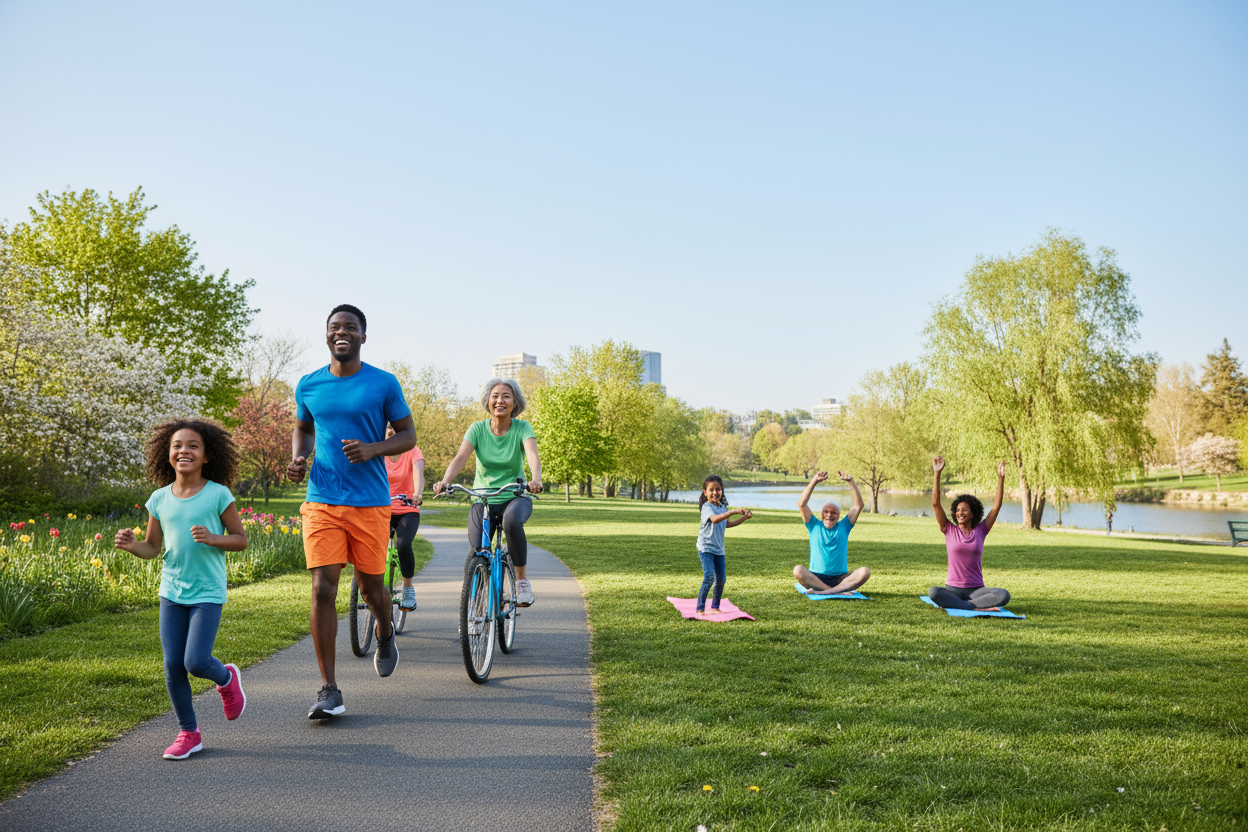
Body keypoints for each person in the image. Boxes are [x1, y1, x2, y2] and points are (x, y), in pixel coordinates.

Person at [288, 304, 417, 720]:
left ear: (363, 336)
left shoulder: (382, 383)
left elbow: (408, 435)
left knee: (370, 589)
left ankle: (384, 629)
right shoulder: (308, 384)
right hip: (323, 499)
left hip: (370, 503)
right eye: (334, 327)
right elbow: (305, 428)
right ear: (326, 336)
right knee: (322, 587)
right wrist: (299, 457)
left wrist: (373, 449)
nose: (341, 332)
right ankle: (329, 689)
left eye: (350, 327)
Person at [114, 420, 249, 760]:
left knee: (195, 661)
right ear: (167, 453)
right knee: (173, 664)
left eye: (193, 446)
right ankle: (189, 733)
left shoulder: (218, 493)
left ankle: (226, 677)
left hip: (207, 591)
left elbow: (240, 540)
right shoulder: (159, 498)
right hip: (171, 591)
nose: (184, 451)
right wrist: (134, 546)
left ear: (206, 456)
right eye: (177, 445)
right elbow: (152, 547)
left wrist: (214, 538)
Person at [433, 378, 543, 606]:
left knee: (512, 523)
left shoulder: (523, 428)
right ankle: (472, 604)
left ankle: (521, 582)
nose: (499, 400)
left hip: (514, 496)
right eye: (495, 396)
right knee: (476, 552)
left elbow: (532, 454)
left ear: (515, 403)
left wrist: (536, 479)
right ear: (488, 401)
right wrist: (445, 481)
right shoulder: (477, 429)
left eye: (506, 396)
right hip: (482, 499)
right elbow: (461, 457)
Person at [928, 456, 1011, 611]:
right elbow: (935, 503)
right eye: (958, 510)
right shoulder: (948, 529)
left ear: (972, 514)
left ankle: (964, 606)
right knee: (933, 591)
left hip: (976, 590)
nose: (960, 513)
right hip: (952, 589)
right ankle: (975, 608)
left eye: (964, 510)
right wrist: (937, 473)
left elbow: (996, 507)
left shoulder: (981, 530)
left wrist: (1001, 478)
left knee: (1004, 595)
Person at [793, 470, 869, 595]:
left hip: (841, 579)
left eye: (833, 512)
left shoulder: (844, 526)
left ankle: (827, 591)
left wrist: (850, 481)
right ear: (821, 514)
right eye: (826, 511)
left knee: (864, 572)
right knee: (798, 570)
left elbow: (858, 505)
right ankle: (835, 592)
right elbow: (801, 504)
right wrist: (814, 481)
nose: (829, 515)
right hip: (816, 578)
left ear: (839, 515)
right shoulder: (813, 525)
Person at [694, 475, 753, 615]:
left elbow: (728, 524)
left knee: (721, 579)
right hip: (706, 548)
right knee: (709, 578)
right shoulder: (706, 507)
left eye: (718, 489)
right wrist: (732, 511)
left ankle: (715, 607)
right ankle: (700, 609)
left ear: (722, 491)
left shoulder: (722, 508)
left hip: (719, 549)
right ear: (705, 492)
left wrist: (744, 518)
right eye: (711, 490)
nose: (715, 492)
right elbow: (714, 520)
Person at [384, 423, 425, 611]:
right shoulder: (378, 451)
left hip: (407, 509)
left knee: (402, 544)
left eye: (395, 427)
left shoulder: (412, 450)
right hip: (382, 509)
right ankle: (374, 586)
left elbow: (418, 473)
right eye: (387, 427)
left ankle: (408, 587)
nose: (391, 431)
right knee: (373, 545)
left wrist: (417, 492)